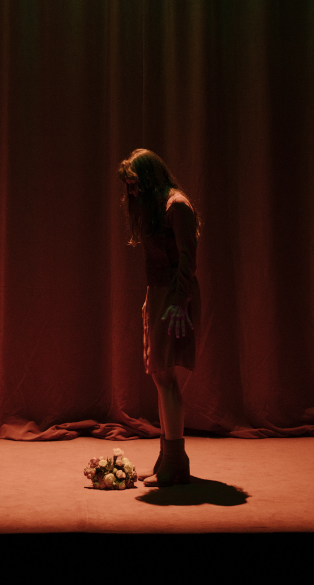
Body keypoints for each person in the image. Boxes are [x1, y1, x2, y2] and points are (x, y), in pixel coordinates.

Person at [117, 149, 201, 487]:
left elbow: (187, 258)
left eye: (136, 185)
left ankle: (175, 460)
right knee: (159, 375)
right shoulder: (160, 207)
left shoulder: (176, 205)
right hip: (160, 294)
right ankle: (168, 456)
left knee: (166, 377)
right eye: (129, 188)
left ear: (151, 178)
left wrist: (179, 301)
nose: (133, 193)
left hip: (173, 295)